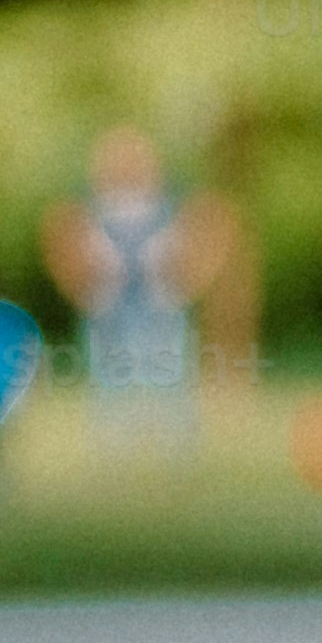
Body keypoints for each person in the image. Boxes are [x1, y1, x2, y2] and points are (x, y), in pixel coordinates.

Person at [46, 126, 206, 452]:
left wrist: (180, 281)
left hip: (160, 306)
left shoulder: (168, 205)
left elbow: (201, 237)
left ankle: (176, 444)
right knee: (110, 378)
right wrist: (86, 285)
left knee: (170, 374)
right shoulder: (90, 209)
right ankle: (113, 443)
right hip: (109, 308)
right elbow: (64, 243)